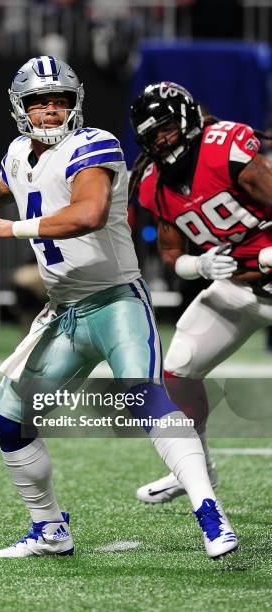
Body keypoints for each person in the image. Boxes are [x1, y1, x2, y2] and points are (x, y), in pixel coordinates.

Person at [0, 58, 237, 559]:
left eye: (58, 100)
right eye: (40, 101)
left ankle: (211, 514)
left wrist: (11, 229)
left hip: (116, 301)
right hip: (65, 312)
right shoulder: (19, 152)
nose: (51, 109)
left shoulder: (94, 144)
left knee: (146, 400)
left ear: (75, 103)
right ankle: (50, 529)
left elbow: (89, 212)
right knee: (7, 419)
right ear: (21, 107)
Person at [129, 81, 272, 503]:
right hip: (235, 289)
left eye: (167, 128)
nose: (161, 141)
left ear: (188, 119)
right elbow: (172, 252)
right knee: (178, 368)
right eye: (151, 135)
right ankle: (195, 469)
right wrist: (199, 264)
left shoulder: (224, 150)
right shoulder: (153, 182)